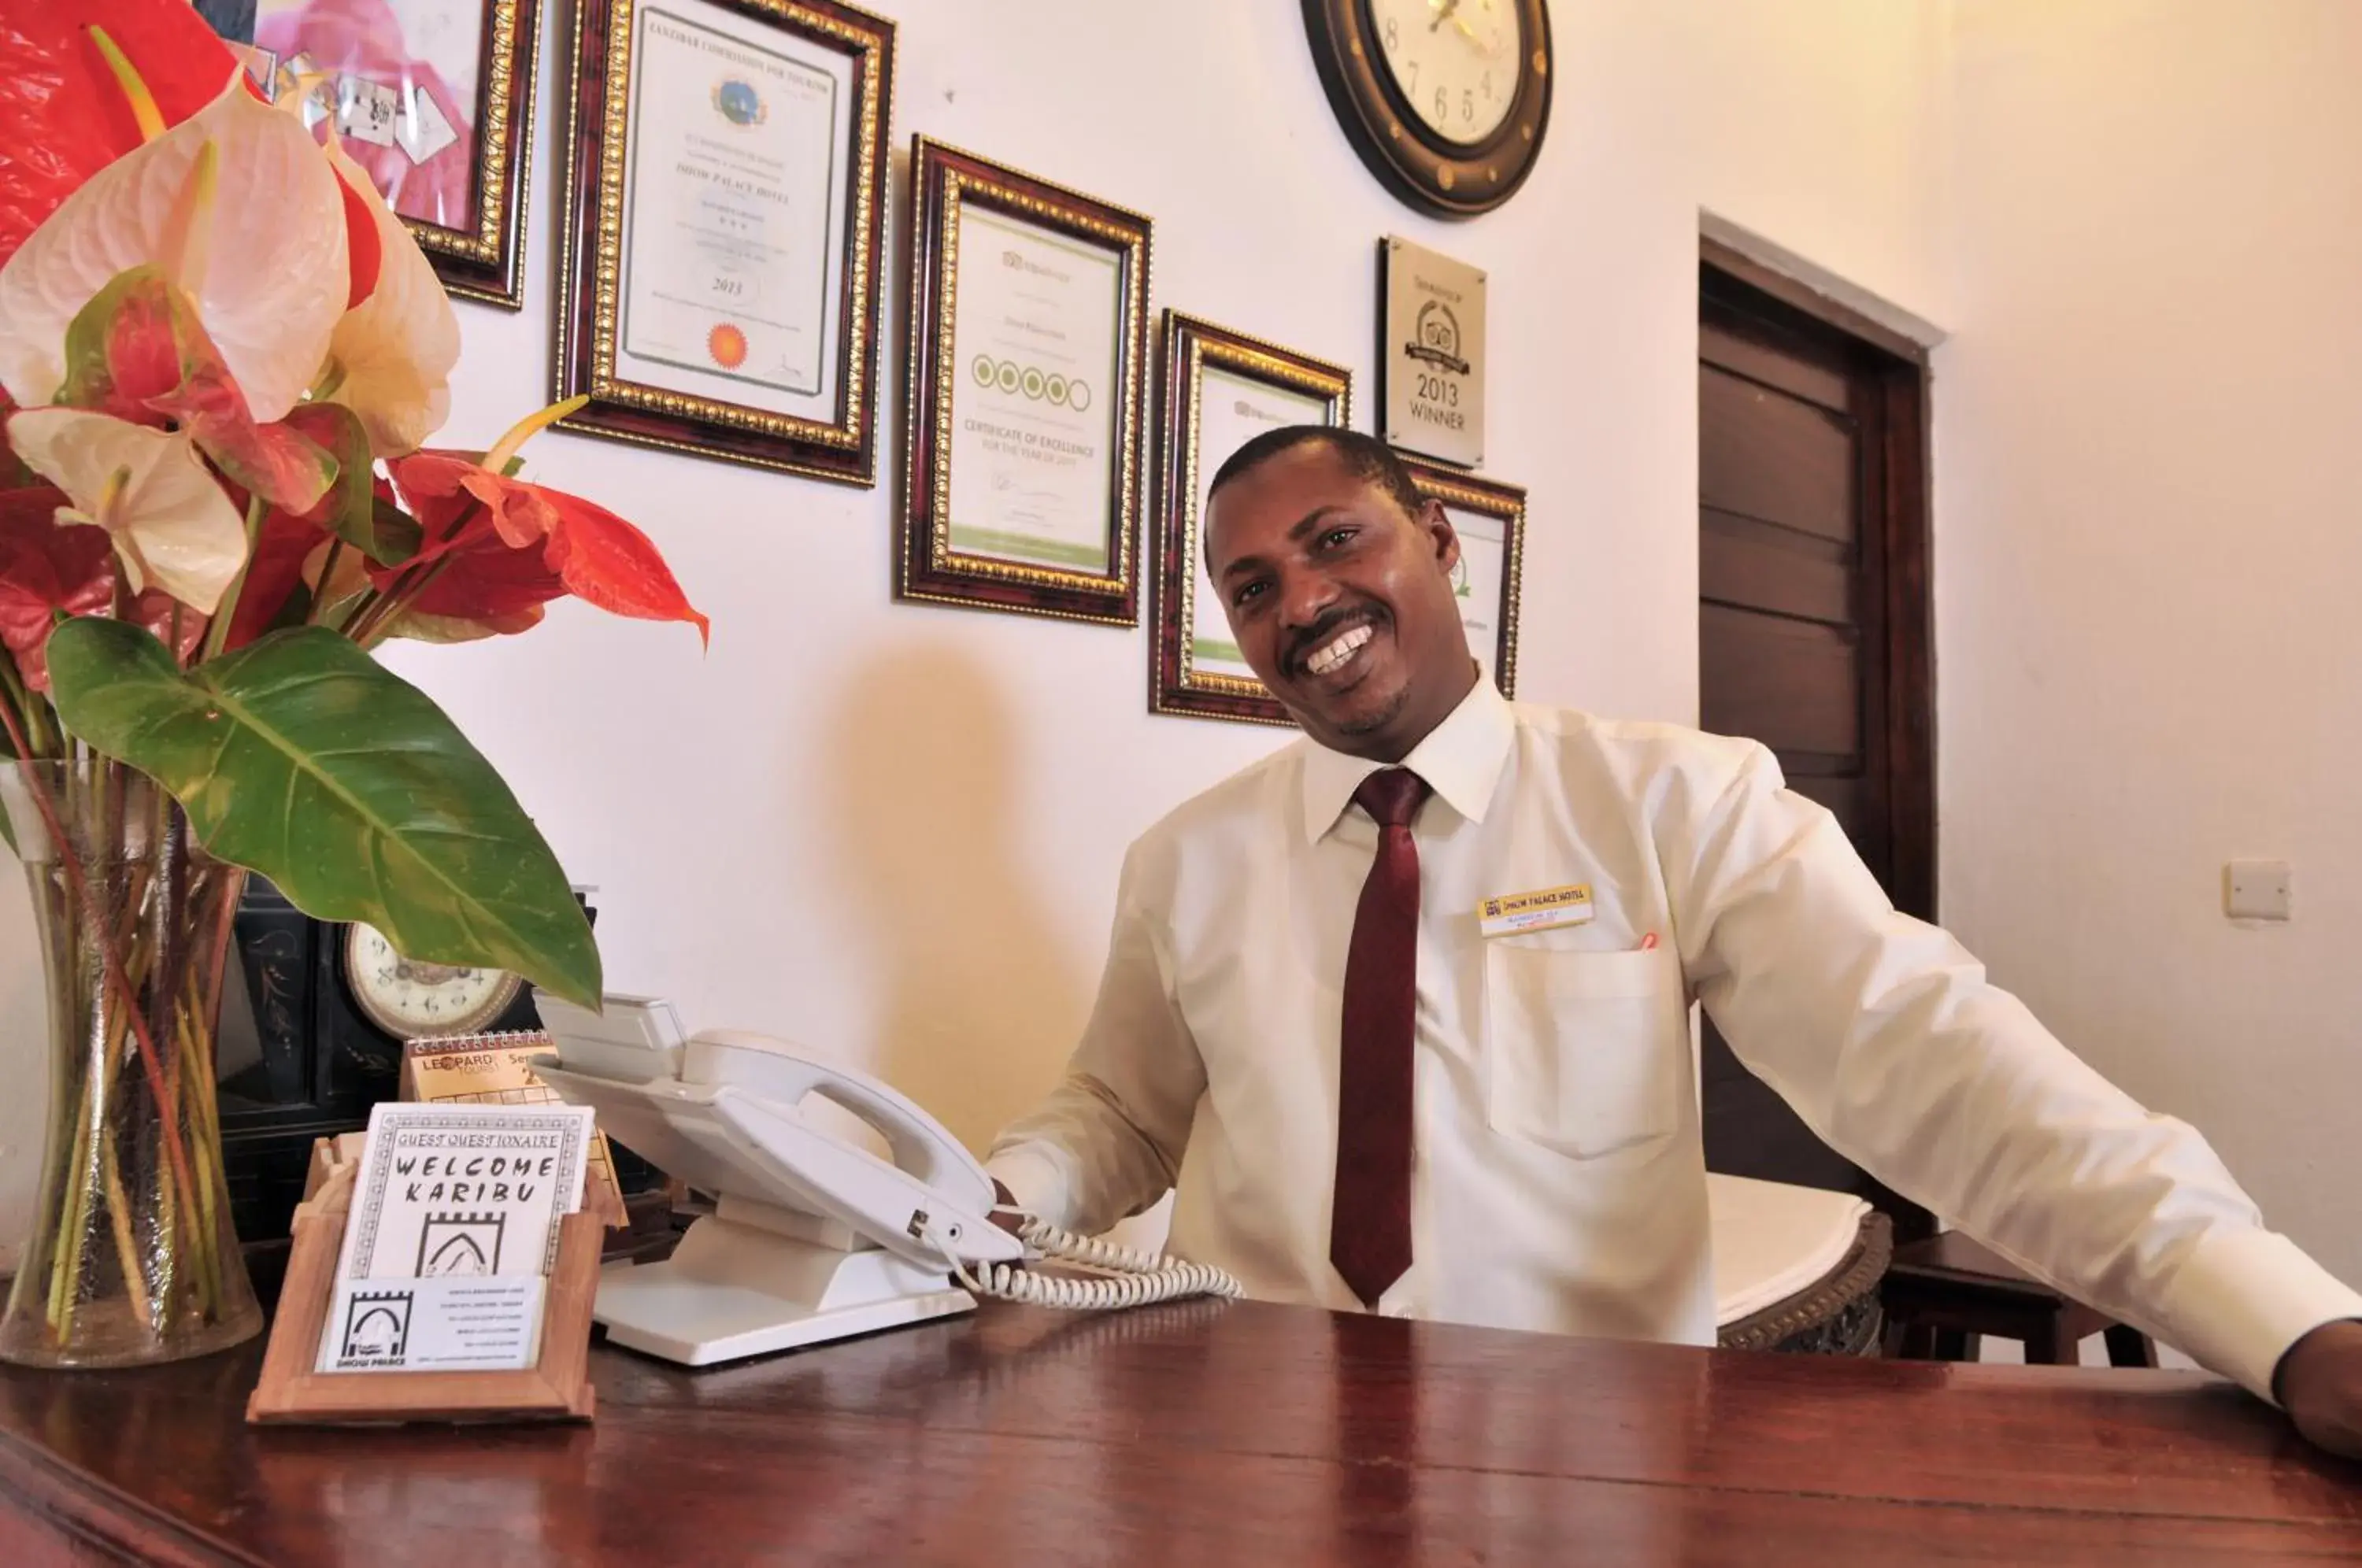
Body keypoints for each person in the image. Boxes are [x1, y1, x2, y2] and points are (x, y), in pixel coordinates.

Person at [985, 425, 2362, 1458]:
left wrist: (2280, 1320)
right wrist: (988, 1200)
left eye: (1337, 539)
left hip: (1594, 1479)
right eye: (1252, 586)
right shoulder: (1186, 863)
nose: (1302, 604)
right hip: (1253, 1466)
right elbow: (1120, 1112)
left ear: (1444, 541)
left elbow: (1935, 1055)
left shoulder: (1673, 806)